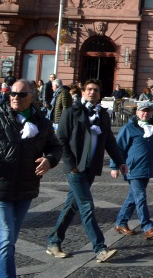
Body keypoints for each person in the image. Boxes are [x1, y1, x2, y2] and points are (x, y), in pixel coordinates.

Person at [0, 79, 62, 278]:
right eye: (13, 93)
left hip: (25, 189)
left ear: (32, 97)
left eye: (21, 94)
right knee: (7, 240)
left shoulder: (42, 123)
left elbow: (55, 147)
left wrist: (50, 160)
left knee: (6, 242)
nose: (15, 97)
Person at [45, 79, 127, 263]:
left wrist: (120, 161)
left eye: (96, 90)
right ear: (83, 92)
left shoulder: (102, 115)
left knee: (71, 205)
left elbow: (109, 142)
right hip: (75, 168)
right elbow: (61, 140)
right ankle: (100, 248)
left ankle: (53, 242)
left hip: (91, 167)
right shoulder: (70, 112)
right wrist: (71, 164)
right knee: (86, 206)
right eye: (89, 89)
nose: (92, 92)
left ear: (99, 94)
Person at [111, 101, 153, 240]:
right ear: (137, 112)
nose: (145, 113)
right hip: (132, 169)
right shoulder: (129, 128)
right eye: (143, 110)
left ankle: (120, 222)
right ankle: (147, 227)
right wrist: (114, 167)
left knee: (133, 198)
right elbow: (118, 149)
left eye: (148, 111)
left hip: (148, 168)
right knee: (141, 197)